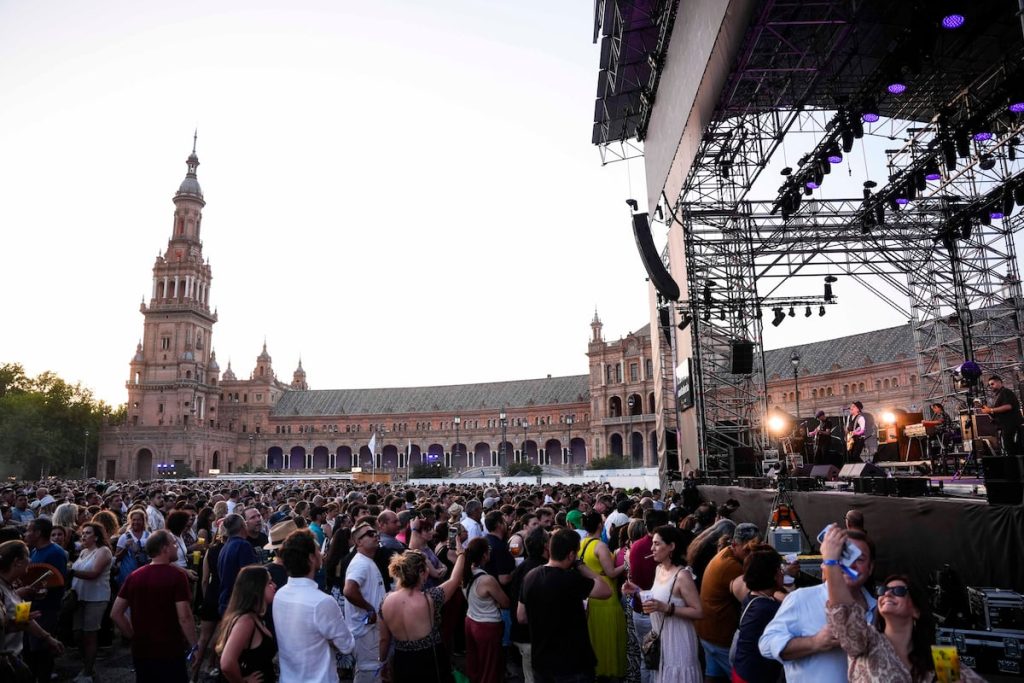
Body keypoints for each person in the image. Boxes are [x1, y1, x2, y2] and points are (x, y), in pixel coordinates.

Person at [820, 526, 985, 682]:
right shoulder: (868, 640)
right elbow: (845, 616)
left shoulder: (943, 658)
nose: (887, 593)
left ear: (916, 610)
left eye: (899, 591)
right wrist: (831, 562)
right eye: (883, 590)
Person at [759, 528, 876, 682]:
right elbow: (766, 645)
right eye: (844, 557)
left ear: (870, 567)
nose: (851, 565)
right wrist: (815, 642)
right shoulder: (802, 598)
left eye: (859, 559)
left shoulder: (879, 610)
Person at [518, 527, 613, 682]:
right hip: (572, 664)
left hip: (541, 662)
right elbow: (606, 590)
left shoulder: (530, 576)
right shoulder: (571, 579)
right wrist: (580, 565)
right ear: (571, 555)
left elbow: (521, 616)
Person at [111, 530, 197, 683]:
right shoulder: (177, 576)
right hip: (169, 649)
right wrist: (195, 646)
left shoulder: (134, 576)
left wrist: (133, 636)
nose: (177, 547)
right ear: (164, 548)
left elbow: (116, 613)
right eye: (174, 544)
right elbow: (184, 616)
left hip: (142, 650)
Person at [622, 525, 703, 683]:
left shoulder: (682, 575)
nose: (652, 548)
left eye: (657, 544)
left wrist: (667, 608)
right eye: (653, 543)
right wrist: (637, 590)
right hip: (661, 638)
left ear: (671, 546)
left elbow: (699, 611)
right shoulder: (659, 569)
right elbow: (658, 598)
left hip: (678, 639)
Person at [274, 529, 354, 683]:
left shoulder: (279, 595)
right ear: (311, 558)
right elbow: (346, 645)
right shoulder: (322, 602)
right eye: (318, 549)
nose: (321, 553)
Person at [379, 547, 467, 683]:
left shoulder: (385, 601)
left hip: (402, 661)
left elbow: (384, 639)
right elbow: (455, 579)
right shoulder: (431, 598)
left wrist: (382, 662)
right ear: (422, 573)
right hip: (430, 661)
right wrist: (461, 554)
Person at [694, 522, 759, 683]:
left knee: (714, 676)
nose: (752, 554)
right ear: (735, 545)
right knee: (740, 676)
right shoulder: (731, 566)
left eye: (756, 549)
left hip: (708, 632)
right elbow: (754, 596)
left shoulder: (726, 553)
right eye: (748, 550)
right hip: (719, 636)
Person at [0, 540, 65, 679]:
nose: (30, 561)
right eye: (27, 556)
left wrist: (48, 638)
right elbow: (16, 623)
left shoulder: (12, 586)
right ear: (17, 562)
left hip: (15, 657)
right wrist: (12, 625)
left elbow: (24, 619)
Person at [579, 510, 628, 679]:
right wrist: (626, 564)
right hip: (606, 595)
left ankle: (597, 669)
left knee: (596, 636)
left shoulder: (582, 543)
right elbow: (611, 572)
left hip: (591, 594)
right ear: (600, 525)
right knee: (608, 637)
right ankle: (608, 671)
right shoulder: (600, 546)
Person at [730, 545, 784, 683]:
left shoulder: (751, 597)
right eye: (780, 569)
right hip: (755, 676)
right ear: (773, 575)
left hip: (742, 670)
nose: (782, 573)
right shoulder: (768, 609)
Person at [215, 565, 277, 683]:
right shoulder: (246, 621)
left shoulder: (254, 617)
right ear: (256, 589)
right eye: (269, 583)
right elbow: (227, 663)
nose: (274, 585)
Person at [24, 516, 68, 683]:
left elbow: (57, 582)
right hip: (30, 607)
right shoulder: (34, 550)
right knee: (29, 648)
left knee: (42, 648)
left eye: (29, 530)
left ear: (38, 533)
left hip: (46, 609)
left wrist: (41, 591)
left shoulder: (55, 553)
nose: (26, 534)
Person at [69, 521, 114, 683]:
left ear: (96, 537)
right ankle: (88, 666)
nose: (84, 536)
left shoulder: (103, 551)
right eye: (83, 533)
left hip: (96, 597)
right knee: (77, 634)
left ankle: (88, 672)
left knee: (90, 634)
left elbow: (94, 573)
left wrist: (71, 571)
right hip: (79, 598)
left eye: (88, 533)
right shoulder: (83, 552)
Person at [344, 518, 387, 683]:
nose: (375, 535)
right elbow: (349, 590)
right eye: (369, 534)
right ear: (358, 542)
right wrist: (369, 608)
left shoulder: (367, 561)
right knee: (369, 673)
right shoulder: (360, 563)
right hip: (366, 633)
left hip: (370, 632)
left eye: (375, 532)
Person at [462, 536, 508, 683]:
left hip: (470, 621)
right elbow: (505, 602)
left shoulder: (464, 572)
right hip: (487, 626)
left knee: (475, 664)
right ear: (484, 555)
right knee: (490, 668)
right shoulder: (487, 580)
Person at [507, 528, 548, 683]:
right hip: (531, 637)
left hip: (525, 636)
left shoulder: (524, 566)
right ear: (545, 545)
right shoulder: (540, 570)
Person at [218, 513, 258, 615]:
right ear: (243, 526)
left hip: (226, 602)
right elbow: (250, 577)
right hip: (240, 604)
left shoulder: (225, 547)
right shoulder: (243, 545)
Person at [981, 375, 1023, 455]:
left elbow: (1008, 406)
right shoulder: (997, 395)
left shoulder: (1006, 392)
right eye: (989, 385)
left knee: (1011, 448)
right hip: (1004, 426)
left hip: (1011, 424)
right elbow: (997, 412)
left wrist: (991, 410)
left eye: (992, 384)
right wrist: (988, 411)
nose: (990, 386)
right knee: (1007, 448)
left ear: (999, 382)